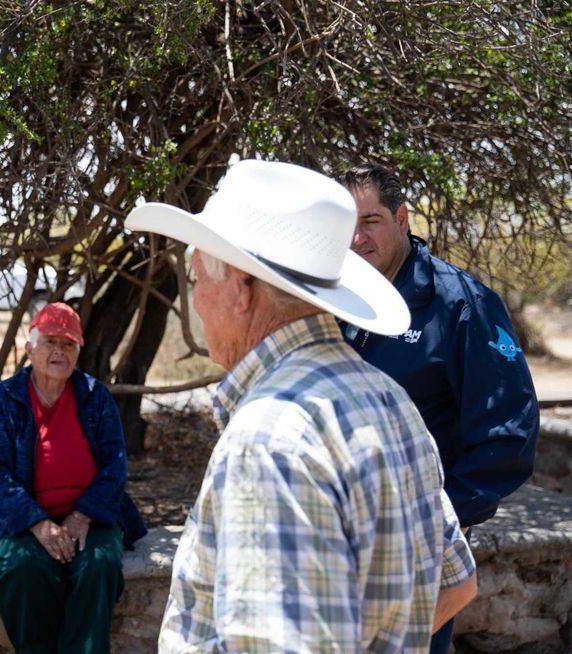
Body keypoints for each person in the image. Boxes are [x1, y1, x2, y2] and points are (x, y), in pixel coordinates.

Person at [125, 159, 477, 652]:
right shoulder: (390, 400)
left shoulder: (269, 439)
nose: (197, 298)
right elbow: (457, 582)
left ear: (241, 289)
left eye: (198, 275)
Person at [338, 163, 539, 653]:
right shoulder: (336, 298)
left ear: (402, 218)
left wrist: (448, 519)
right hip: (341, 535)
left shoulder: (462, 304)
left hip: (418, 545)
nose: (357, 238)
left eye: (370, 221)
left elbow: (509, 430)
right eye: (346, 224)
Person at [0, 301, 147, 654]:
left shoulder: (95, 397)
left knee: (98, 566)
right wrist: (38, 524)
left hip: (90, 515)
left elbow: (115, 466)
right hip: (23, 520)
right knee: (21, 568)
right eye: (50, 341)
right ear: (30, 348)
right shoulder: (4, 399)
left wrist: (81, 516)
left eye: (68, 344)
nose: (59, 351)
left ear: (78, 352)